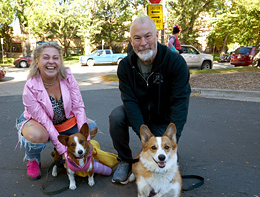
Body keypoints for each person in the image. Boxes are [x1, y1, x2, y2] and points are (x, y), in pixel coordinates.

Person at [109, 16, 190, 184]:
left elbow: (180, 104)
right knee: (116, 116)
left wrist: (172, 142)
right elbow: (129, 101)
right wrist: (145, 138)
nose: (143, 43)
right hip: (138, 114)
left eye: (148, 36)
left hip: (163, 118)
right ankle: (125, 160)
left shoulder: (175, 63)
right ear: (131, 40)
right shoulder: (125, 66)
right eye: (137, 38)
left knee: (164, 164)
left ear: (157, 36)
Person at [16, 42, 97, 180]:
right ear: (37, 62)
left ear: (60, 61)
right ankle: (33, 159)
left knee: (91, 127)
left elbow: (78, 107)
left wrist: (86, 140)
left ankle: (60, 152)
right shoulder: (30, 86)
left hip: (64, 121)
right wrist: (62, 150)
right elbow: (46, 122)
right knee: (37, 135)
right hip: (39, 123)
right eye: (46, 57)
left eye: (56, 58)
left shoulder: (68, 77)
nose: (51, 62)